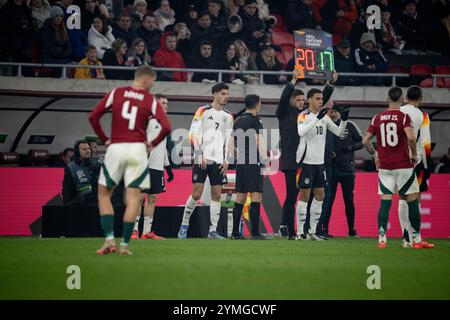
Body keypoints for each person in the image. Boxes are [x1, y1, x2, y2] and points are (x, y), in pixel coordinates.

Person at [89, 65, 172, 256]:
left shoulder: (116, 93)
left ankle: (109, 240)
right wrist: (152, 144)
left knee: (103, 194)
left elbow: (94, 117)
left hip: (116, 147)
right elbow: (167, 126)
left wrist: (104, 140)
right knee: (134, 198)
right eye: (153, 81)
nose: (152, 84)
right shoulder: (150, 100)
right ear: (147, 79)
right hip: (137, 150)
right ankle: (125, 245)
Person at [362, 87, 433, 249]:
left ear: (388, 98)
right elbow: (415, 138)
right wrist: (416, 156)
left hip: (385, 166)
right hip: (405, 164)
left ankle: (383, 238)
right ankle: (415, 238)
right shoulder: (415, 116)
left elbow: (365, 140)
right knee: (412, 198)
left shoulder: (377, 117)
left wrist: (375, 155)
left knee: (386, 200)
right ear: (402, 98)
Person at [277, 68, 337, 240]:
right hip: (291, 161)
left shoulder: (307, 115)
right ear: (290, 101)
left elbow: (320, 99)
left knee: (309, 196)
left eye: (304, 100)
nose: (302, 102)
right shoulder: (284, 112)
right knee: (292, 196)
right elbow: (283, 99)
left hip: (308, 159)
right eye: (299, 99)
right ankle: (288, 228)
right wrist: (292, 81)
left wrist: (330, 84)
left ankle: (308, 230)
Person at [177, 82, 234, 240]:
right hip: (202, 158)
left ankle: (212, 231)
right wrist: (199, 153)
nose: (226, 97)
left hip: (218, 161)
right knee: (197, 193)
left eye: (227, 94)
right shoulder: (202, 111)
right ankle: (184, 225)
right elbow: (192, 134)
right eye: (223, 94)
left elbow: (229, 140)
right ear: (214, 95)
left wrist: (227, 160)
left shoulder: (229, 116)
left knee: (217, 194)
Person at [295, 88, 348, 240]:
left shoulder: (324, 117)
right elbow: (301, 132)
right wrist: (317, 118)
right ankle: (300, 232)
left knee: (320, 196)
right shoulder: (303, 115)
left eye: (321, 99)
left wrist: (344, 120)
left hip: (320, 163)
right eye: (317, 99)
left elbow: (339, 133)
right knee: (304, 196)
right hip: (306, 162)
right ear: (309, 100)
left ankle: (312, 232)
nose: (320, 101)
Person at [132, 94, 174, 240]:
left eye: (167, 103)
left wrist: (167, 167)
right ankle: (134, 231)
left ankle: (146, 232)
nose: (166, 106)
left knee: (153, 198)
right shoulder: (148, 121)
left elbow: (162, 148)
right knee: (140, 198)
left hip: (157, 168)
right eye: (163, 103)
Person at [319, 103, 363, 238]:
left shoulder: (350, 125)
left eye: (334, 112)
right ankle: (324, 228)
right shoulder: (325, 125)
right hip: (331, 170)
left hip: (347, 170)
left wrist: (350, 147)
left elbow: (361, 142)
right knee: (328, 200)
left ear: (340, 113)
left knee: (349, 200)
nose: (332, 114)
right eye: (331, 112)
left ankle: (352, 230)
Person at [230, 94, 269, 239]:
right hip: (253, 161)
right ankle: (255, 233)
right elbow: (259, 141)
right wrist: (265, 159)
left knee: (240, 196)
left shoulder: (237, 121)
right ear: (257, 104)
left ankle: (235, 234)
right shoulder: (256, 121)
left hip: (241, 161)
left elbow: (232, 144)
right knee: (256, 195)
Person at [398, 86, 432, 247]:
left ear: (406, 97)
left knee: (402, 197)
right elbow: (425, 143)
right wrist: (427, 165)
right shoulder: (422, 115)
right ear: (421, 98)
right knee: (414, 197)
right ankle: (414, 237)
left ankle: (406, 237)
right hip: (415, 161)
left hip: (397, 161)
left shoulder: (397, 111)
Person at [62, 140, 99, 206]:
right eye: (84, 149)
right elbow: (67, 190)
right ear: (77, 152)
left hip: (97, 203)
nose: (88, 151)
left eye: (89, 149)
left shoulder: (97, 165)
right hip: (80, 205)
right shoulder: (71, 167)